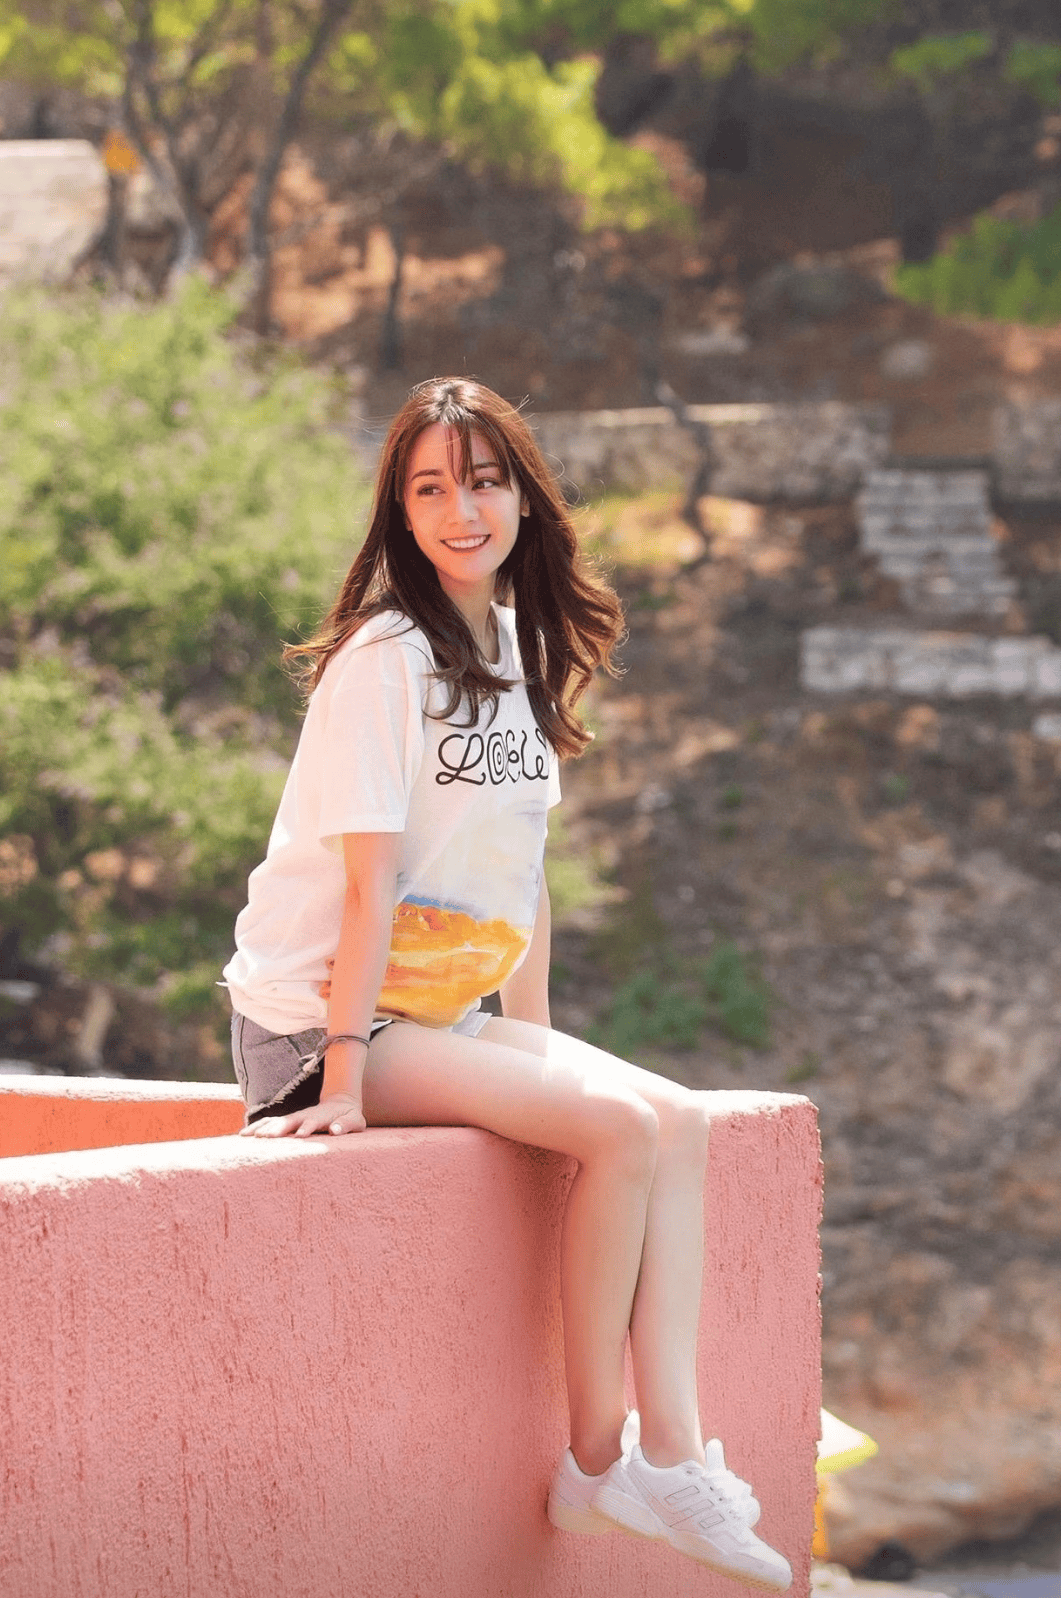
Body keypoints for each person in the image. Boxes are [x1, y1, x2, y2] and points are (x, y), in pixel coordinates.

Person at [223, 376, 792, 1590]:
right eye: (429, 487)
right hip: (322, 1022)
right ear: (401, 511)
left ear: (523, 497)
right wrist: (339, 1081)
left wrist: (531, 1048)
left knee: (674, 1119)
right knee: (616, 1130)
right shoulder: (384, 657)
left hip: (438, 1011)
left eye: (481, 481)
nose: (460, 510)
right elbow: (369, 887)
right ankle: (594, 1461)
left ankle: (673, 1450)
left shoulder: (511, 646)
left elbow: (515, 875)